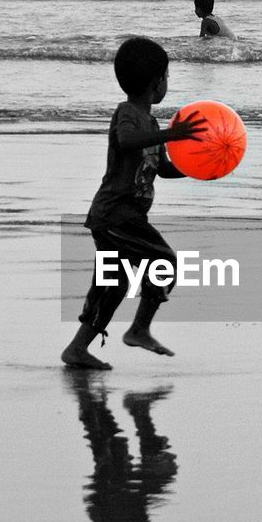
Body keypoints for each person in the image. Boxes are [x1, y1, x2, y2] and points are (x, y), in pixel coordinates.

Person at [61, 37, 208, 369]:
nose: (167, 84)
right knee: (165, 261)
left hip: (119, 216)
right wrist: (172, 135)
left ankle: (77, 348)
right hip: (116, 215)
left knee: (113, 285)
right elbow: (127, 141)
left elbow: (164, 169)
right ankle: (140, 329)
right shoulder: (127, 114)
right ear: (157, 83)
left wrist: (201, 170)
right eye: (167, 77)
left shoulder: (152, 123)